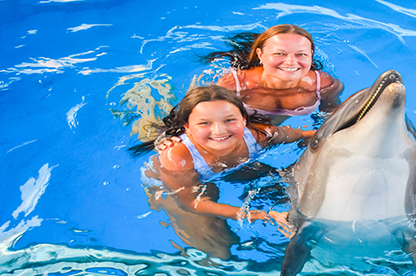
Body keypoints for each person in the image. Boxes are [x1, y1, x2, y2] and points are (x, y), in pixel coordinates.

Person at [130, 85, 311, 260]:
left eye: (229, 120)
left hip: (228, 169)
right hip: (176, 185)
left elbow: (306, 136)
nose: (220, 130)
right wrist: (256, 214)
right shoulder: (178, 156)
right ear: (187, 127)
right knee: (218, 249)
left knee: (278, 180)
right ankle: (146, 100)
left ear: (244, 120)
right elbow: (190, 202)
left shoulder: (259, 136)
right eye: (204, 123)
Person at [202, 24, 344, 125]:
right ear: (261, 54)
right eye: (279, 54)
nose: (291, 62)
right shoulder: (233, 86)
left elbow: (329, 116)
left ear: (311, 55)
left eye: (301, 54)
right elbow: (201, 115)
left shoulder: (325, 85)